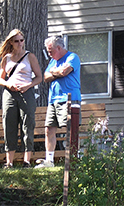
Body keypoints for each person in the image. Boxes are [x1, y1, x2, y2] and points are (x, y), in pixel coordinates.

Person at [0, 29, 42, 168]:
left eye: (22, 40)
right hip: (10, 93)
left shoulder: (30, 57)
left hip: (26, 92)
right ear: (11, 42)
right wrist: (8, 84)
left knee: (28, 124)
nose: (20, 43)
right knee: (9, 123)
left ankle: (26, 160)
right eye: (16, 41)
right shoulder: (7, 58)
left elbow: (39, 77)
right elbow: (0, 79)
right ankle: (9, 162)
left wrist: (29, 85)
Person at [35, 36, 81, 168]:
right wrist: (57, 72)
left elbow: (65, 71)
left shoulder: (72, 57)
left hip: (69, 98)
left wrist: (55, 72)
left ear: (59, 48)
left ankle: (73, 158)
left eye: (50, 51)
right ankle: (49, 160)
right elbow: (45, 77)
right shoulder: (53, 62)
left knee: (70, 129)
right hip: (53, 99)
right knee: (49, 129)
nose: (49, 54)